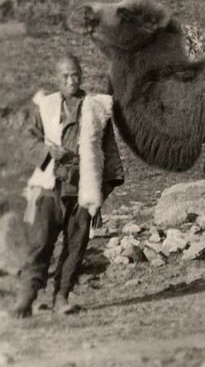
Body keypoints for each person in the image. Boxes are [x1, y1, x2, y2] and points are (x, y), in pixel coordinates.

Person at [6, 53, 124, 318]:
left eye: (75, 75)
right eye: (65, 76)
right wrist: (50, 151)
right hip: (49, 188)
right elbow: (28, 141)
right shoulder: (45, 107)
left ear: (81, 74)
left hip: (82, 189)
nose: (71, 80)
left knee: (75, 245)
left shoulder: (96, 108)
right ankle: (26, 297)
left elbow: (110, 155)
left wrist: (100, 193)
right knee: (39, 243)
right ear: (56, 78)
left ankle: (61, 297)